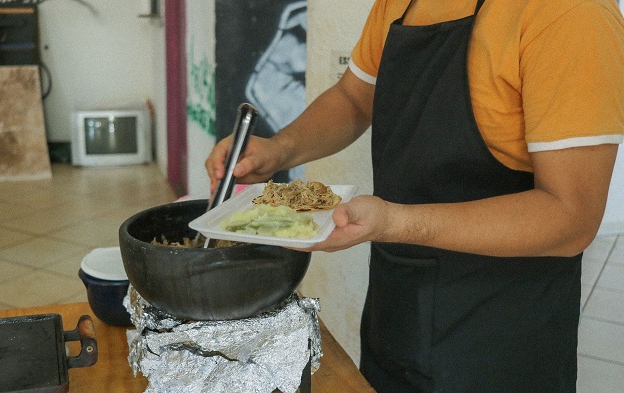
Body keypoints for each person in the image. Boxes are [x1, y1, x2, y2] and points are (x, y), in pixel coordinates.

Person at [206, 0, 624, 391]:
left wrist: (394, 222)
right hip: (398, 309)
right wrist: (280, 148)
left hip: (500, 335)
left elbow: (571, 216)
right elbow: (353, 98)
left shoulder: (571, 14)